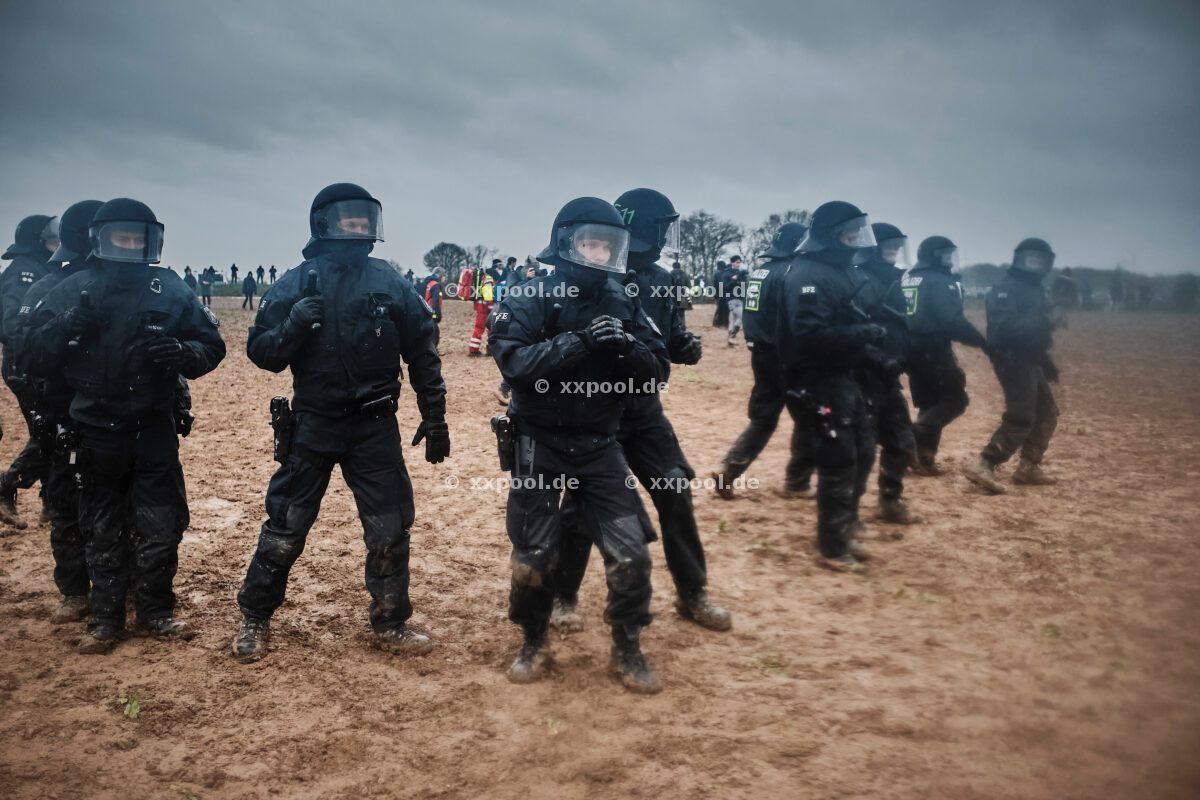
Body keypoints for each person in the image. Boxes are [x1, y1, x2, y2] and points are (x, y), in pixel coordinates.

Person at [232, 183, 447, 662]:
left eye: (364, 219)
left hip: (375, 429)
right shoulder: (295, 282)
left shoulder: (390, 282)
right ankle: (254, 617)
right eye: (349, 220)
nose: (359, 227)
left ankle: (391, 620)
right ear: (324, 224)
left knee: (390, 529)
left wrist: (435, 415)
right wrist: (292, 326)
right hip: (313, 426)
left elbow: (423, 352)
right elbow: (261, 352)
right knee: (285, 527)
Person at [28, 197, 226, 653]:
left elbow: (210, 346)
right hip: (93, 429)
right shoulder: (72, 288)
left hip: (152, 430)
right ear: (101, 239)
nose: (132, 245)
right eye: (123, 236)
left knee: (161, 526)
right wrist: (66, 326)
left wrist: (181, 354)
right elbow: (33, 354)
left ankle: (157, 611)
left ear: (152, 241)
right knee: (100, 529)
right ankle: (105, 618)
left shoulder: (170, 289)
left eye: (139, 237)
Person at [489, 196, 667, 693]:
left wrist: (627, 347)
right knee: (533, 555)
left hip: (599, 446)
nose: (600, 253)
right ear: (568, 243)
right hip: (538, 444)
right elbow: (516, 366)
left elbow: (657, 373)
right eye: (591, 242)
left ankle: (628, 646)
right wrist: (580, 342)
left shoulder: (626, 298)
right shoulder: (529, 295)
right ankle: (534, 640)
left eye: (609, 245)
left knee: (631, 553)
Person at [551, 188, 727, 635]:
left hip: (645, 412)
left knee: (676, 491)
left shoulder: (664, 279)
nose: (665, 238)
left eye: (669, 229)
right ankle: (562, 595)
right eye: (659, 228)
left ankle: (694, 593)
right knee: (579, 508)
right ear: (636, 227)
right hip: (596, 412)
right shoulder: (592, 272)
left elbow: (668, 337)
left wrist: (683, 347)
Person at [778, 201, 882, 572]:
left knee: (864, 450)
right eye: (851, 234)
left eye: (859, 232)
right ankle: (833, 547)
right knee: (838, 458)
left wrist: (870, 349)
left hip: (842, 376)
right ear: (833, 236)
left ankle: (847, 524)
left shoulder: (835, 271)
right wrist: (863, 333)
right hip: (818, 379)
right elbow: (810, 335)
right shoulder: (809, 274)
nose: (857, 241)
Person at [12, 200, 103, 620]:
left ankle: (126, 585)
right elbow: (25, 351)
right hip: (67, 411)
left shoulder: (129, 283)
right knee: (67, 502)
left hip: (123, 413)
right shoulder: (48, 286)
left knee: (126, 503)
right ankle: (74, 591)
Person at [713, 222, 814, 499]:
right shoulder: (790, 272)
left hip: (761, 352)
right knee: (808, 418)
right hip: (785, 354)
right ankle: (798, 482)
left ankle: (730, 466)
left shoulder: (761, 271)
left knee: (763, 419)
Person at [964, 238, 1060, 494]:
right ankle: (985, 463)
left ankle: (1029, 467)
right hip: (1012, 359)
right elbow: (1003, 331)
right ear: (1020, 259)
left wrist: (1045, 360)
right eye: (1032, 258)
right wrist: (1043, 322)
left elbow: (1034, 331)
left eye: (1041, 260)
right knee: (1022, 415)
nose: (1037, 264)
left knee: (1048, 412)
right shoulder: (1005, 288)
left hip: (1030, 358)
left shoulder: (1036, 288)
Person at [901, 235, 987, 475]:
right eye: (945, 254)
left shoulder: (909, 278)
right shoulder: (940, 281)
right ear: (932, 255)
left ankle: (923, 458)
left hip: (911, 348)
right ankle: (912, 436)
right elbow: (952, 321)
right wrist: (981, 342)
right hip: (934, 349)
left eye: (951, 253)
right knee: (955, 400)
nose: (949, 258)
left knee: (929, 403)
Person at [855, 222, 918, 523]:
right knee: (860, 450)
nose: (893, 250)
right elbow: (854, 331)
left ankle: (889, 501)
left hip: (888, 378)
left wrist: (907, 357)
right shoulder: (861, 281)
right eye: (887, 245)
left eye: (897, 245)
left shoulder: (893, 281)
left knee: (903, 441)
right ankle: (845, 514)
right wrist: (880, 359)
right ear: (872, 248)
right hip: (864, 377)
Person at [0, 214, 59, 528]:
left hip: (37, 364)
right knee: (49, 430)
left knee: (50, 431)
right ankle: (5, 486)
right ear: (38, 240)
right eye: (52, 238)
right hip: (25, 366)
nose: (58, 243)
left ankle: (51, 504)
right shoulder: (23, 271)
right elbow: (12, 323)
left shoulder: (41, 268)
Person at [462, 259, 495, 356]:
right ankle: (490, 350)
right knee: (491, 328)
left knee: (478, 328)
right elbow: (488, 296)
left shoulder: (480, 279)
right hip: (486, 308)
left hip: (479, 307)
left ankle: (473, 350)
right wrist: (492, 308)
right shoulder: (488, 280)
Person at [725, 255, 746, 346]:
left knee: (734, 320)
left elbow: (744, 285)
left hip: (740, 298)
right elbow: (725, 287)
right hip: (732, 299)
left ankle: (730, 340)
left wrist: (741, 281)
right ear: (732, 262)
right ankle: (733, 334)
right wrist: (733, 280)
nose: (738, 264)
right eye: (737, 262)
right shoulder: (727, 273)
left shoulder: (741, 273)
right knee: (743, 317)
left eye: (739, 262)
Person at [712, 260, 730, 327]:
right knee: (726, 309)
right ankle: (725, 323)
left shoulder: (717, 273)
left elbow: (715, 285)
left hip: (720, 293)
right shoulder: (727, 272)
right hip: (727, 293)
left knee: (719, 309)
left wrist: (715, 295)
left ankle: (717, 323)